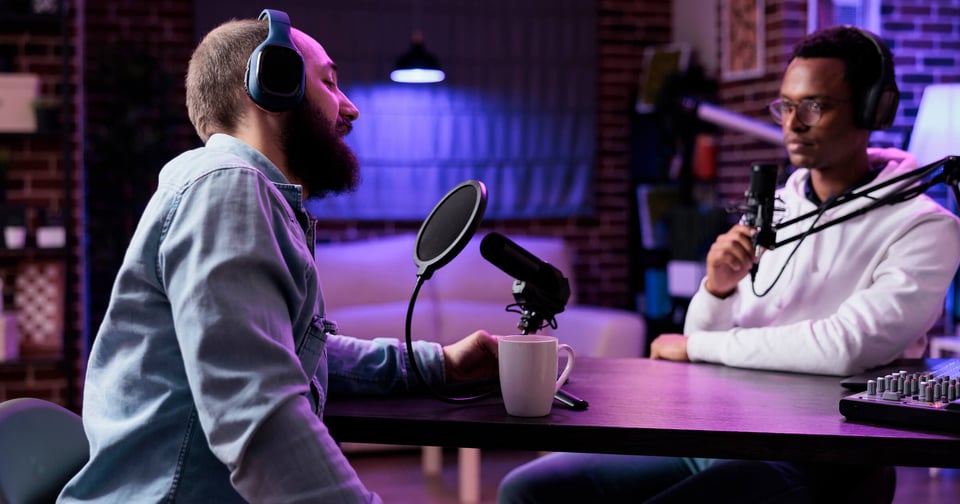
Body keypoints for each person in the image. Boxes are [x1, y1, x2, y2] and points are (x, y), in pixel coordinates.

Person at [498, 25, 960, 504]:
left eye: (815, 106)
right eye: (786, 105)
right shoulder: (775, 208)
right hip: (714, 431)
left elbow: (847, 347)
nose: (792, 124)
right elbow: (706, 333)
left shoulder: (925, 227)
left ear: (872, 111)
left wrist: (698, 345)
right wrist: (716, 289)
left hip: (815, 453)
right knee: (529, 490)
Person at [59, 10, 499, 503]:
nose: (349, 108)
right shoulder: (228, 188)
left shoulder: (228, 186)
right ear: (274, 83)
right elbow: (258, 414)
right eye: (329, 83)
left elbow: (282, 352)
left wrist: (440, 364)